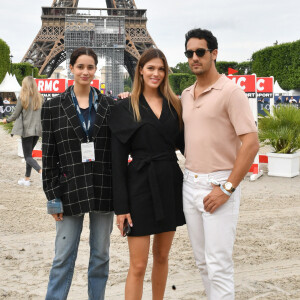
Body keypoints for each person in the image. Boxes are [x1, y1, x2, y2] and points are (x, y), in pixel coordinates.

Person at [181, 28, 259, 300]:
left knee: (219, 265)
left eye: (200, 52)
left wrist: (227, 188)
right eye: (189, 53)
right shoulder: (186, 94)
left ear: (214, 53)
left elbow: (251, 144)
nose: (194, 57)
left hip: (218, 184)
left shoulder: (231, 92)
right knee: (203, 262)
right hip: (189, 183)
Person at [109, 48, 185, 300]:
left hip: (169, 182)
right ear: (140, 69)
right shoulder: (124, 107)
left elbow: (189, 146)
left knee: (162, 257)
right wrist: (121, 207)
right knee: (138, 265)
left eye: (161, 69)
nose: (156, 73)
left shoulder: (175, 105)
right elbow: (117, 162)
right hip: (139, 186)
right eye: (151, 68)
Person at [42, 47, 114, 300]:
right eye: (80, 66)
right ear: (71, 68)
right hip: (69, 188)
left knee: (101, 257)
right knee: (62, 256)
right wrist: (53, 197)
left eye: (90, 67)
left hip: (103, 187)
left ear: (96, 70)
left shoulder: (110, 105)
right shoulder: (52, 108)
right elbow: (50, 156)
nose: (85, 71)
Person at [2, 76, 43, 186]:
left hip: (27, 131)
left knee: (27, 157)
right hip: (37, 131)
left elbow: (15, 114)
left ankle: (41, 172)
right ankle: (26, 179)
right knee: (29, 155)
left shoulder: (23, 98)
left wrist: (7, 120)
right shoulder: (40, 98)